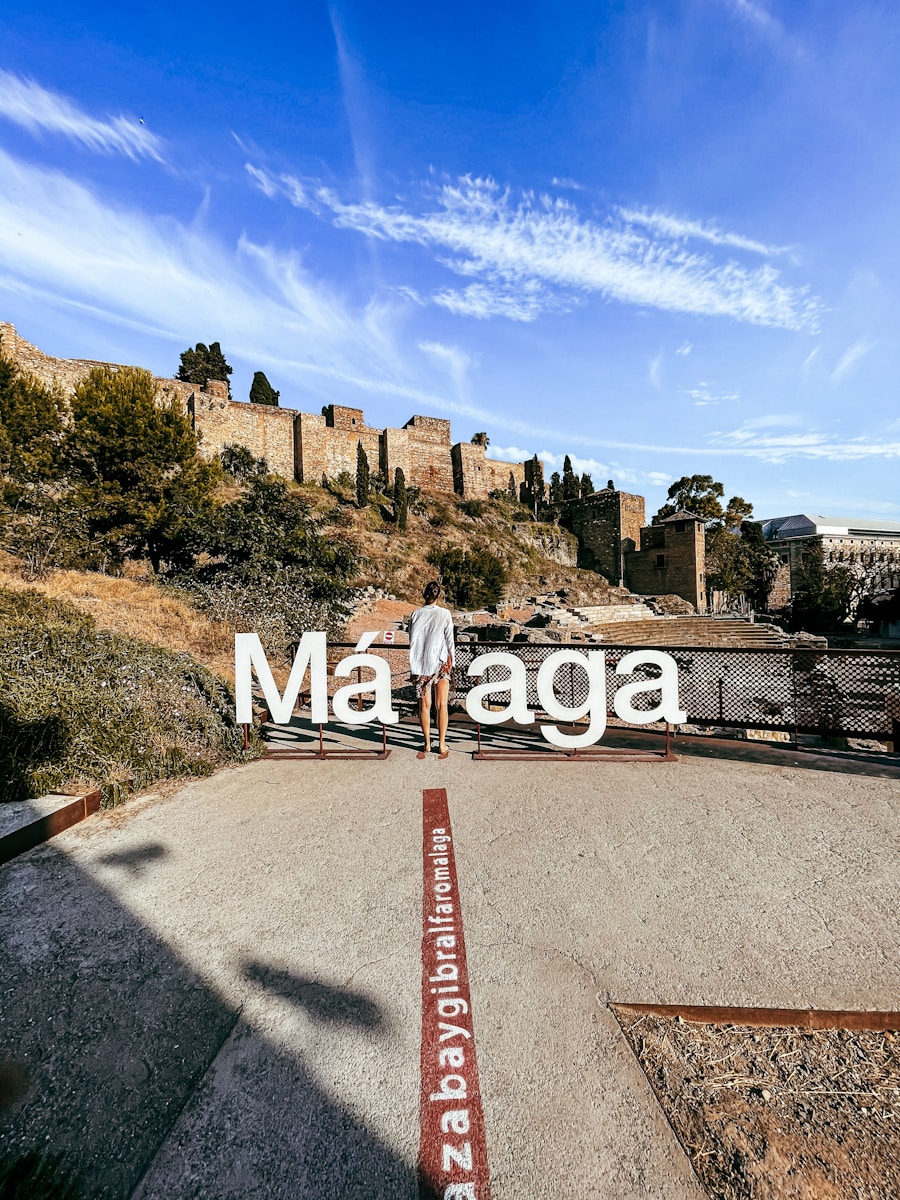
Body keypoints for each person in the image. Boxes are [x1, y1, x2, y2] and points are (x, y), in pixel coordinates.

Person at [408, 580, 454, 759]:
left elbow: (412, 638)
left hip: (420, 663)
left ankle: (427, 742)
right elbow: (450, 640)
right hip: (441, 661)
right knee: (441, 704)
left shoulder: (415, 614)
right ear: (438, 595)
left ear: (424, 594)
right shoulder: (444, 614)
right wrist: (453, 661)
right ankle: (442, 744)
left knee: (424, 705)